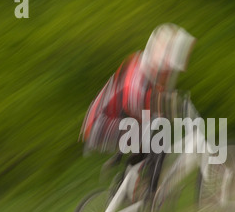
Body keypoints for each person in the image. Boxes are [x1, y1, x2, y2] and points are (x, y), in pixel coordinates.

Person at [79, 23, 196, 201]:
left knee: (153, 138)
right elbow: (133, 101)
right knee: (159, 141)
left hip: (113, 121)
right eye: (167, 69)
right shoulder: (138, 69)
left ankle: (128, 190)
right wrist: (168, 107)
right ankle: (151, 195)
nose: (169, 74)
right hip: (100, 124)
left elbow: (156, 103)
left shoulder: (151, 73)